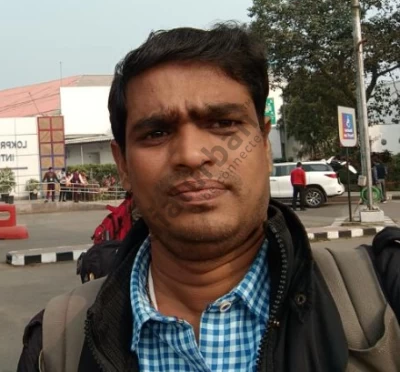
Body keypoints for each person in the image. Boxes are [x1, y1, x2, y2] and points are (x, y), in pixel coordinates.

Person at [17, 24, 400, 372]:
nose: (191, 155)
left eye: (223, 123)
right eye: (156, 133)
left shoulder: (381, 295)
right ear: (123, 165)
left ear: (264, 144)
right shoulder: (55, 347)